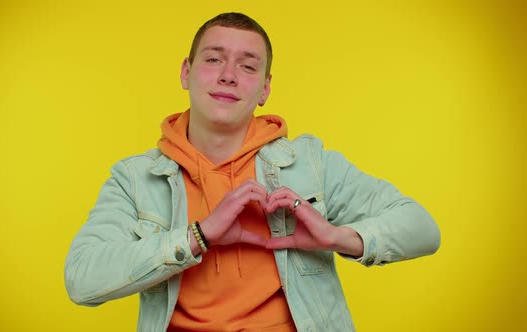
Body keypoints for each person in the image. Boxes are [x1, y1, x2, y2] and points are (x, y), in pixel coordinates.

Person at [64, 12, 440, 332]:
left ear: (265, 88)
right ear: (185, 72)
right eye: (214, 60)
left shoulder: (310, 162)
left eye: (248, 66)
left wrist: (335, 236)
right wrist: (199, 235)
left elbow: (423, 229)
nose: (229, 75)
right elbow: (82, 281)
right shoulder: (135, 178)